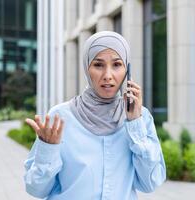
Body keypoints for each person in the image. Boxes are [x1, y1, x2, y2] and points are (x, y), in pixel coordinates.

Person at [24, 31, 166, 200]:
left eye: (117, 65)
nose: (108, 76)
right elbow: (36, 190)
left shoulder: (140, 117)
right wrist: (49, 149)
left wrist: (135, 125)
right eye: (98, 65)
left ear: (127, 70)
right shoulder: (60, 117)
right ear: (87, 67)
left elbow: (150, 183)